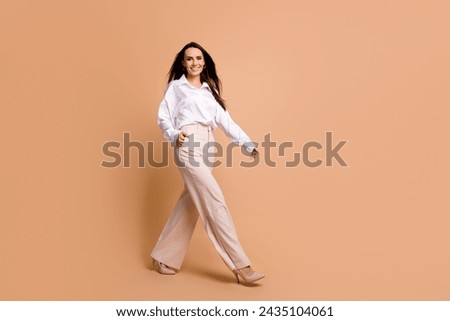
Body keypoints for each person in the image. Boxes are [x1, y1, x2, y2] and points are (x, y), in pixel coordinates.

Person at [150, 42, 264, 285]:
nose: (194, 63)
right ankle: (240, 264)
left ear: (204, 61)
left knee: (190, 202)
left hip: (208, 145)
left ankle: (163, 257)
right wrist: (173, 134)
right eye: (189, 59)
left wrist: (246, 143)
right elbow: (163, 116)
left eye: (198, 58)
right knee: (214, 200)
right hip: (187, 142)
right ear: (183, 63)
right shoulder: (176, 87)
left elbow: (226, 121)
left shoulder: (208, 91)